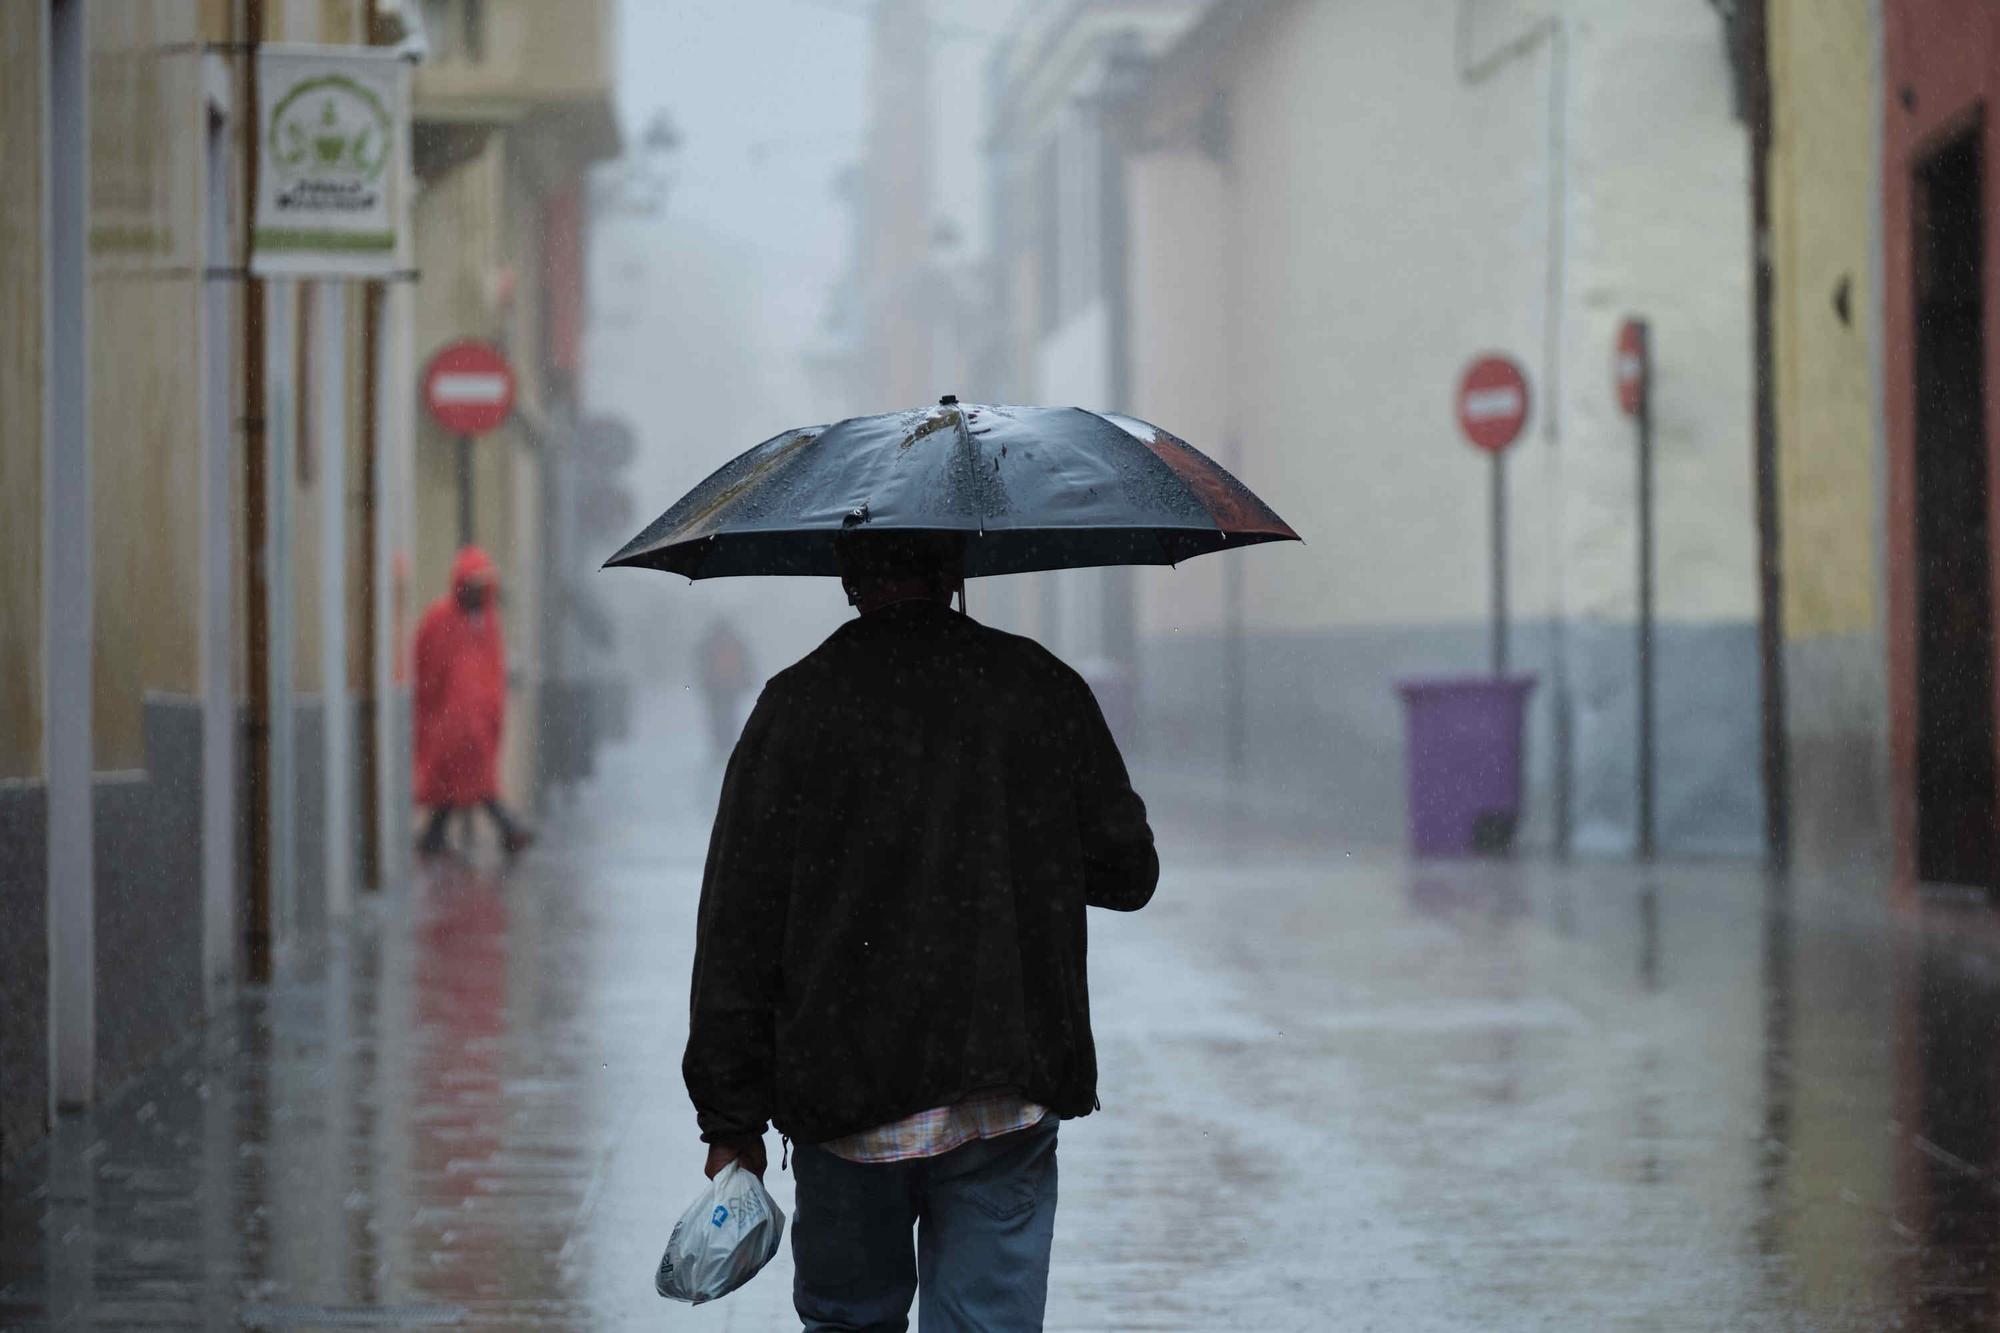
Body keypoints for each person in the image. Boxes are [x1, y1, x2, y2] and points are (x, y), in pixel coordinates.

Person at [682, 530, 1158, 1332]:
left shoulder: (796, 706)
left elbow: (738, 924)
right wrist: (1018, 844)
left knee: (850, 1317)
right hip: (1004, 1082)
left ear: (848, 579)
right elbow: (1127, 871)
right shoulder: (1039, 688)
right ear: (955, 570)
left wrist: (731, 1119)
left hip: (846, 1098)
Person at [413, 546, 534, 859]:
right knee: (468, 781)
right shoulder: (441, 618)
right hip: (451, 720)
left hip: (477, 719)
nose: (478, 593)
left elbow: (491, 670)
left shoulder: (486, 622)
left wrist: (490, 712)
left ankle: (435, 837)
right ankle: (506, 830)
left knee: (465, 782)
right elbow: (428, 669)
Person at [696, 616, 754, 759]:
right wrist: (747, 680)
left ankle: (720, 746)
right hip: (731, 686)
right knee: (729, 716)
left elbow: (701, 664)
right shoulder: (736, 642)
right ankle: (727, 746)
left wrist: (703, 681)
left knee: (718, 717)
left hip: (715, 687)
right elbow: (747, 663)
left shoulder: (708, 643)